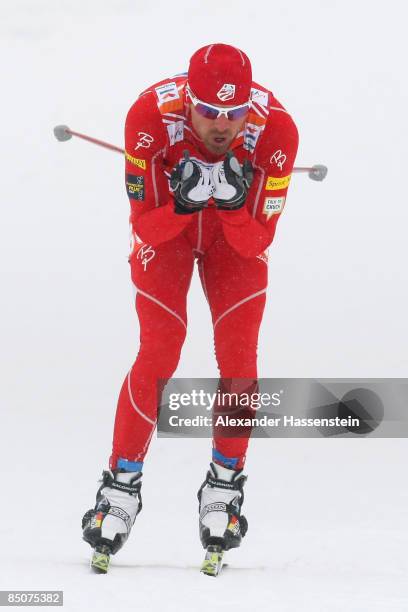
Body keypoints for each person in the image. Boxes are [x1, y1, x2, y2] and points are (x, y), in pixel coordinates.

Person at [82, 43, 299, 571]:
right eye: (207, 111)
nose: (221, 126)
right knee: (160, 350)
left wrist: (230, 206)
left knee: (240, 360)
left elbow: (255, 242)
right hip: (171, 237)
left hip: (232, 240)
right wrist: (181, 201)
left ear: (250, 105)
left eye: (233, 113)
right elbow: (146, 225)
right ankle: (121, 484)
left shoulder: (276, 133)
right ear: (187, 102)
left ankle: (224, 483)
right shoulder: (148, 118)